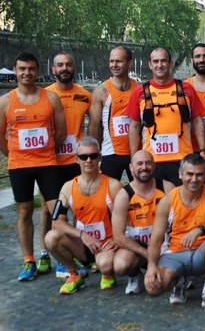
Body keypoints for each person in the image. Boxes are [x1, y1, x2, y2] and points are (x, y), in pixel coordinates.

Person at [0, 52, 66, 281]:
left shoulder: (50, 98)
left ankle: (62, 260)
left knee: (58, 213)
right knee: (24, 212)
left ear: (38, 71)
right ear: (16, 70)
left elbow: (61, 132)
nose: (26, 73)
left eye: (31, 68)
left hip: (47, 163)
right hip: (19, 165)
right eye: (22, 69)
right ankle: (29, 260)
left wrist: (43, 151)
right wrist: (15, 154)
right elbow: (1, 138)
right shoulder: (6, 101)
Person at [144, 154, 205, 311]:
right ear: (180, 174)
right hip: (173, 254)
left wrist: (201, 230)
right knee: (153, 288)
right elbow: (155, 240)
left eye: (199, 174)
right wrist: (151, 266)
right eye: (190, 174)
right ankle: (179, 281)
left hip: (200, 253)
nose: (194, 179)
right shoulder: (168, 200)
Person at [44, 137, 123, 294]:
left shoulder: (113, 185)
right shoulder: (68, 187)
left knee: (105, 265)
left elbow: (127, 218)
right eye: (83, 157)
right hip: (83, 245)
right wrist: (82, 235)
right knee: (51, 238)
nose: (88, 160)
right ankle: (74, 274)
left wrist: (117, 239)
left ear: (99, 157)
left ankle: (107, 273)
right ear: (76, 159)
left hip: (107, 245)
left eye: (93, 156)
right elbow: (57, 223)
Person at [128, 48, 205, 185]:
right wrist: (134, 158)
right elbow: (134, 127)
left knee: (182, 203)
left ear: (170, 64)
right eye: (156, 61)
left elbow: (197, 121)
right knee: (155, 203)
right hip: (152, 160)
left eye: (164, 61)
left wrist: (203, 151)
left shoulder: (186, 89)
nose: (160, 65)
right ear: (150, 64)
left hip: (182, 159)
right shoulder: (139, 92)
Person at [46, 52, 92, 278]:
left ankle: (73, 249)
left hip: (77, 160)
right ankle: (49, 253)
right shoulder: (44, 95)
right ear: (53, 69)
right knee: (49, 208)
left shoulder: (84, 95)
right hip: (51, 160)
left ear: (74, 68)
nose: (64, 68)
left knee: (78, 206)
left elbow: (94, 126)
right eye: (60, 65)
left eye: (68, 65)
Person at [111, 149, 174, 295]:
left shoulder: (167, 188)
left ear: (154, 166)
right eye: (139, 163)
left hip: (164, 245)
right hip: (138, 248)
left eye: (148, 163)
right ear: (131, 167)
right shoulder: (124, 195)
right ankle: (134, 275)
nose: (144, 167)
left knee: (158, 287)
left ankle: (177, 275)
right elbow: (118, 237)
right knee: (121, 265)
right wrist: (148, 255)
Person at [88, 46, 137, 181]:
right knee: (108, 195)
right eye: (111, 61)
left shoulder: (138, 89)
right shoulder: (102, 90)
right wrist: (93, 154)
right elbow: (94, 125)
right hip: (111, 152)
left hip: (135, 152)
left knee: (139, 194)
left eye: (119, 61)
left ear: (130, 63)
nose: (114, 65)